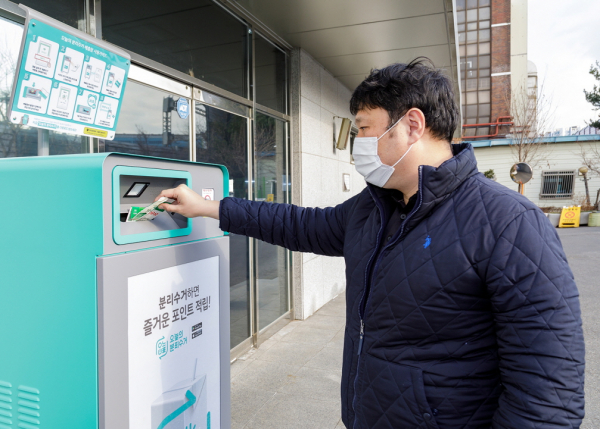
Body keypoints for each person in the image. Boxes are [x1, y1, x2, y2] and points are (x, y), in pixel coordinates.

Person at [156, 58, 585, 428]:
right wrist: (212, 208)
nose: (358, 145)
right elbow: (300, 225)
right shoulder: (375, 206)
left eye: (364, 129)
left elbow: (549, 386)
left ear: (412, 125)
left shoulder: (509, 223)